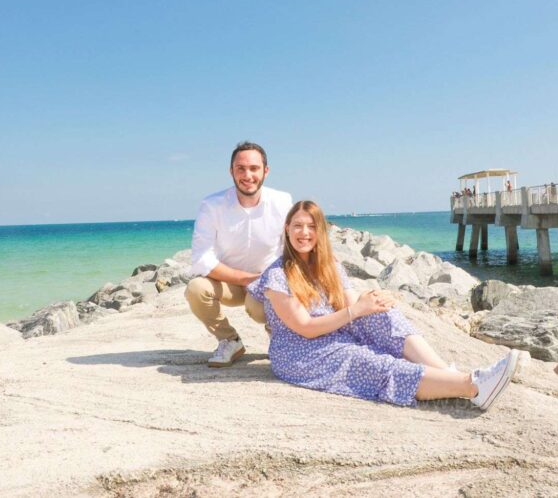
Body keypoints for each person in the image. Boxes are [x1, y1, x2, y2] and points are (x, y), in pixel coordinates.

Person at [248, 200, 526, 411]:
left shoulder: (329, 265)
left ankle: (445, 374)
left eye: (311, 226)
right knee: (372, 363)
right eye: (297, 226)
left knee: (383, 313)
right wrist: (356, 310)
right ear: (287, 229)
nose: (304, 233)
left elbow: (352, 302)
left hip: (334, 333)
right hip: (301, 353)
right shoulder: (278, 275)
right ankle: (472, 386)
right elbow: (306, 328)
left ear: (321, 231)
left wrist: (376, 301)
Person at [185, 142, 293, 367]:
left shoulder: (282, 202)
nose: (247, 175)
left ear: (266, 170)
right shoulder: (212, 205)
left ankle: (277, 333)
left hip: (267, 285)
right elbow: (201, 258)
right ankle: (229, 340)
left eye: (254, 168)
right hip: (228, 283)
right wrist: (245, 279)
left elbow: (292, 249)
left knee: (257, 307)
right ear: (231, 171)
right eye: (240, 168)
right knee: (196, 289)